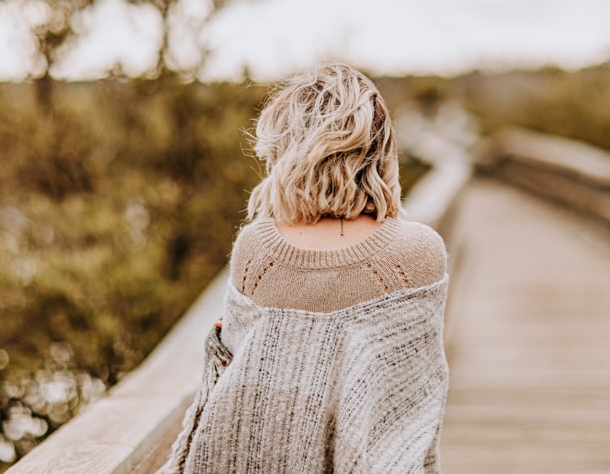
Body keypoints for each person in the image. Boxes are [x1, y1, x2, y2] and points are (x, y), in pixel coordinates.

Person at [158, 63, 449, 474]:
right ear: (379, 149)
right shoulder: (417, 255)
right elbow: (409, 410)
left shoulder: (256, 250)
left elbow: (234, 373)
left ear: (285, 150)